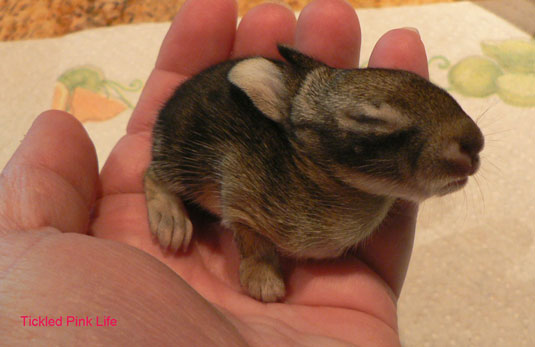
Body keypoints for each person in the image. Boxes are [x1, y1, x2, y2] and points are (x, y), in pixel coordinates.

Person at [0, 0, 428, 345]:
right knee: (179, 165)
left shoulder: (370, 194)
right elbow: (243, 201)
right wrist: (259, 261)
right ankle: (158, 185)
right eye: (374, 127)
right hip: (191, 139)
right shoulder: (283, 199)